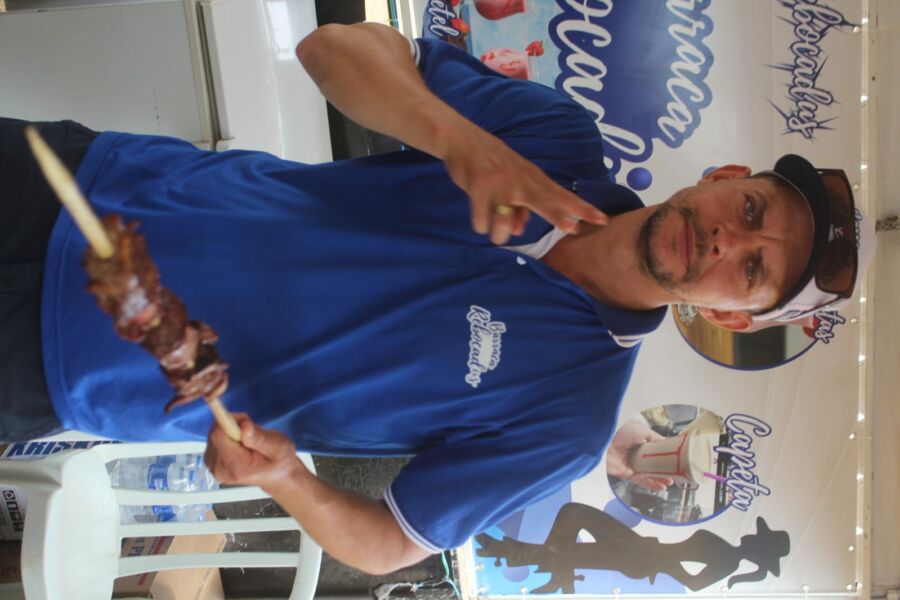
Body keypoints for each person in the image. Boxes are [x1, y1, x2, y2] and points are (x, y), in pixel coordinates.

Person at [0, 23, 870, 575]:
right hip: (91, 182)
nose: (725, 243)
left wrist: (287, 480)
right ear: (724, 177)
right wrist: (457, 139)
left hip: (69, 359)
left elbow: (391, 543)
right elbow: (330, 50)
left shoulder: (568, 422)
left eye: (749, 272)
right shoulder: (554, 138)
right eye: (748, 211)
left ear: (727, 315)